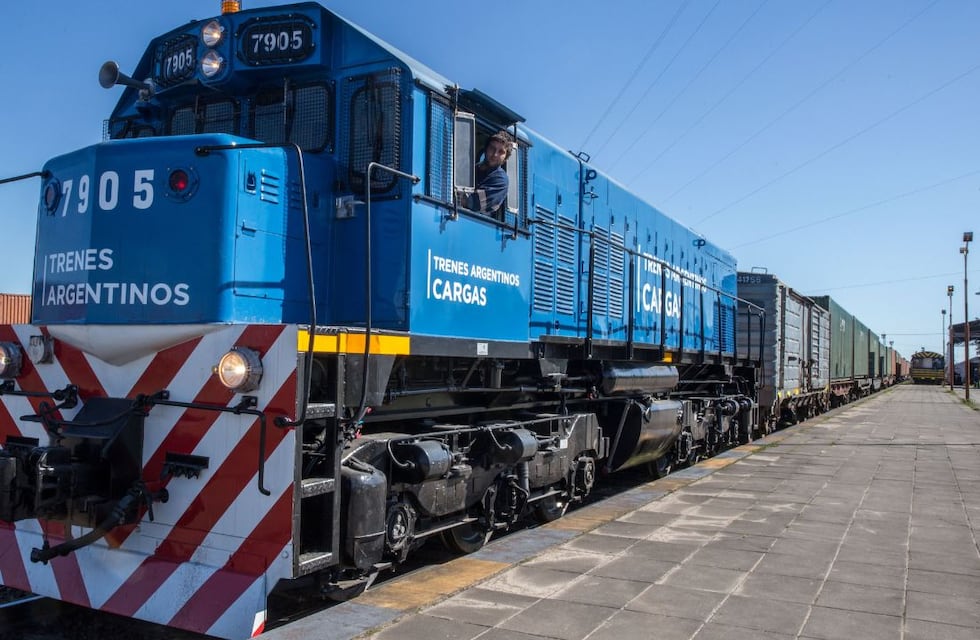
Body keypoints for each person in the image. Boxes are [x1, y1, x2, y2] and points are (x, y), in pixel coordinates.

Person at [457, 130, 512, 215]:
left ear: (505, 158)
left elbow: (473, 202)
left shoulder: (501, 180)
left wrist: (456, 195)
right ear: (486, 149)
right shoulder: (471, 169)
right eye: (492, 148)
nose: (495, 154)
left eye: (501, 152)